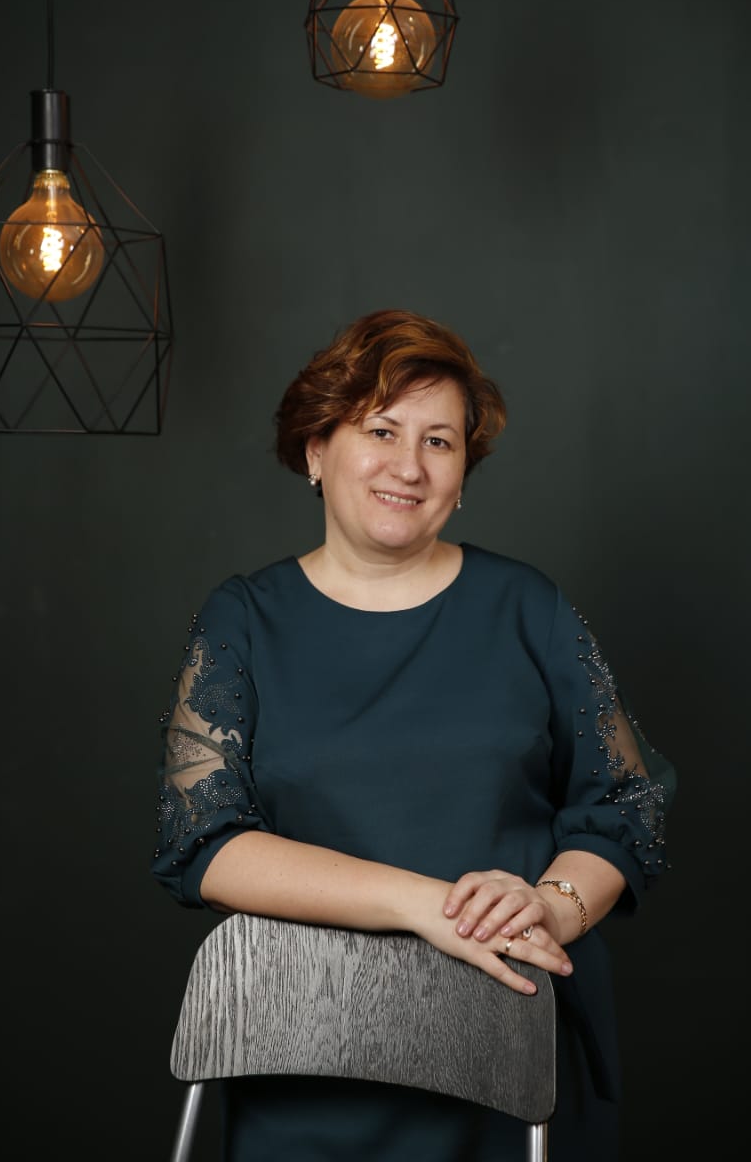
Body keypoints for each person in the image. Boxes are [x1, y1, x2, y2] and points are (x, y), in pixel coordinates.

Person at [152, 308, 676, 1162]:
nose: (409, 465)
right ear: (315, 450)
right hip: (311, 1058)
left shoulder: (529, 608)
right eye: (381, 430)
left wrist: (550, 905)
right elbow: (204, 846)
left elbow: (624, 804)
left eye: (439, 441)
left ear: (463, 473)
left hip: (511, 1043)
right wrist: (424, 906)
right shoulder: (242, 620)